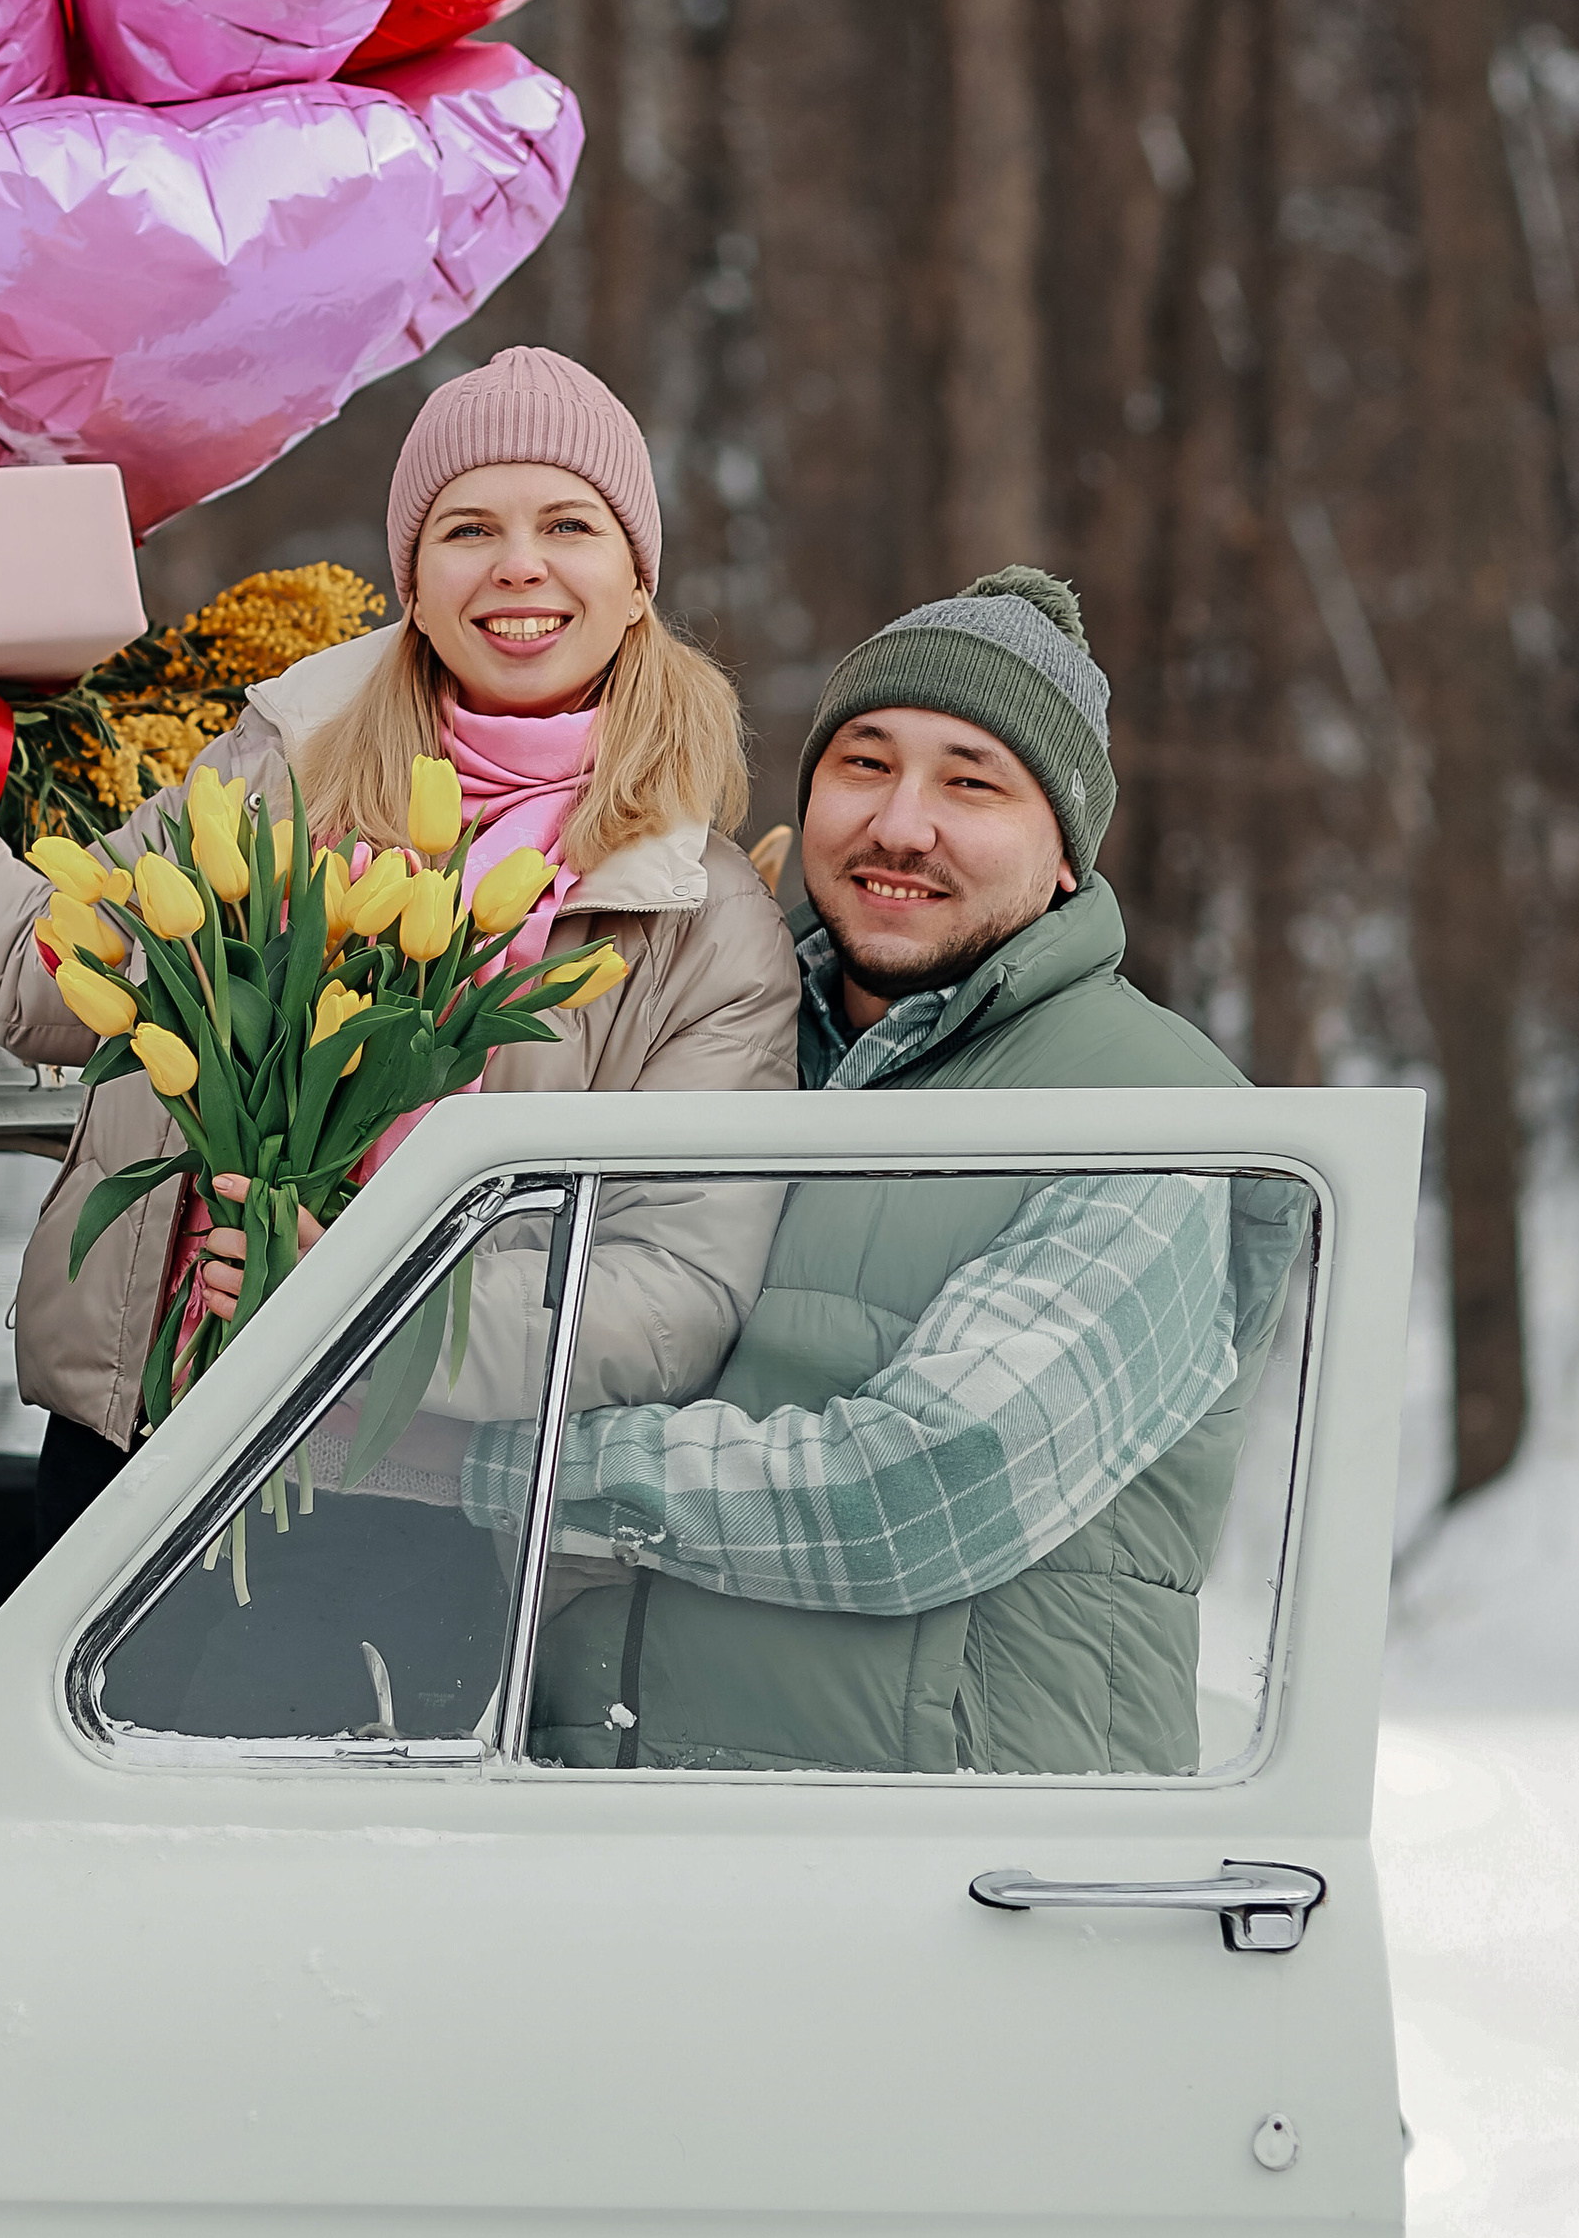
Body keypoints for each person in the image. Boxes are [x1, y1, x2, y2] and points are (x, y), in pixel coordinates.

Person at [0, 350, 800, 1535]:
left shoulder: (702, 922)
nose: (518, 565)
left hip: (416, 1503)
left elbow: (669, 1300)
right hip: (148, 1436)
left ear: (637, 581)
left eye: (569, 525)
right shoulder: (282, 776)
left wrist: (364, 1308)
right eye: (469, 527)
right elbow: (47, 977)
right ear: (415, 585)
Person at [494, 566, 1308, 1775]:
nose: (899, 825)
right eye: (864, 765)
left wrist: (478, 1471)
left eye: (970, 783)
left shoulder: (1155, 1118)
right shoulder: (712, 1045)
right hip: (617, 1841)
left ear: (1067, 853)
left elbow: (922, 1495)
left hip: (958, 1886)